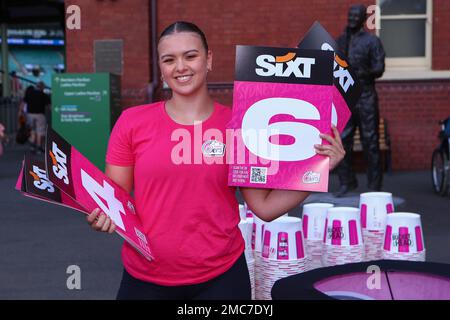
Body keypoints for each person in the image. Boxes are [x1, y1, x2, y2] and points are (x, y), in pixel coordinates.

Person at [87, 21, 345, 300]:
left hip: (221, 281)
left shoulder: (240, 127)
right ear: (161, 68)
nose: (180, 67)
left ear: (208, 59)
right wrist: (102, 213)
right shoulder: (132, 123)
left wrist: (318, 168)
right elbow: (115, 198)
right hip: (145, 279)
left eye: (190, 56)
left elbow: (265, 207)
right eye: (169, 59)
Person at [334, 4, 386, 197]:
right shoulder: (339, 41)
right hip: (346, 98)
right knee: (342, 141)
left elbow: (379, 68)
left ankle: (374, 186)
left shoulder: (372, 42)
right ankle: (347, 182)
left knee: (370, 141)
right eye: (350, 16)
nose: (352, 19)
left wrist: (365, 72)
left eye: (356, 16)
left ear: (363, 19)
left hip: (365, 96)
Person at [19, 82, 50, 154]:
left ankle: (32, 146)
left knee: (32, 130)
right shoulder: (44, 95)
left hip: (30, 114)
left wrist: (20, 111)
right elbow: (49, 106)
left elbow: (23, 103)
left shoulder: (30, 93)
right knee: (40, 131)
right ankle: (39, 147)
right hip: (40, 114)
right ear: (42, 87)